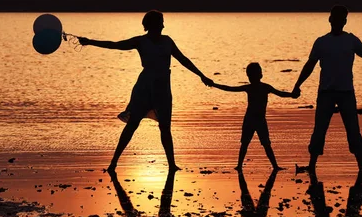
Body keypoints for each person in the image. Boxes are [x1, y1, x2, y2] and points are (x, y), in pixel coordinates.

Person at [79, 10, 213, 173]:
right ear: (153, 24)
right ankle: (113, 163)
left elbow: (183, 59)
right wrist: (90, 42)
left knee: (165, 127)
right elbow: (115, 45)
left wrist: (202, 76)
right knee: (132, 124)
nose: (163, 24)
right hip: (145, 87)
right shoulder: (140, 41)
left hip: (163, 88)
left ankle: (172, 165)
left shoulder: (167, 41)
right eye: (161, 21)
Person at [292, 5, 362, 172]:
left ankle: (361, 166)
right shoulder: (321, 42)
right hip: (326, 93)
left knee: (353, 129)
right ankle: (311, 165)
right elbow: (310, 65)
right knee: (320, 129)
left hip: (346, 93)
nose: (338, 22)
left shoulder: (351, 40)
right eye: (335, 18)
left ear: (344, 21)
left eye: (341, 19)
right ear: (330, 20)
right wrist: (297, 85)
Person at [210, 62, 297, 171]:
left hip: (257, 120)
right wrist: (214, 85)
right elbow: (230, 88)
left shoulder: (262, 87)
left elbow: (230, 88)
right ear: (260, 75)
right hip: (252, 119)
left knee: (260, 144)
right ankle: (244, 165)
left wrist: (292, 95)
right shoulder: (260, 87)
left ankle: (271, 166)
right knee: (251, 144)